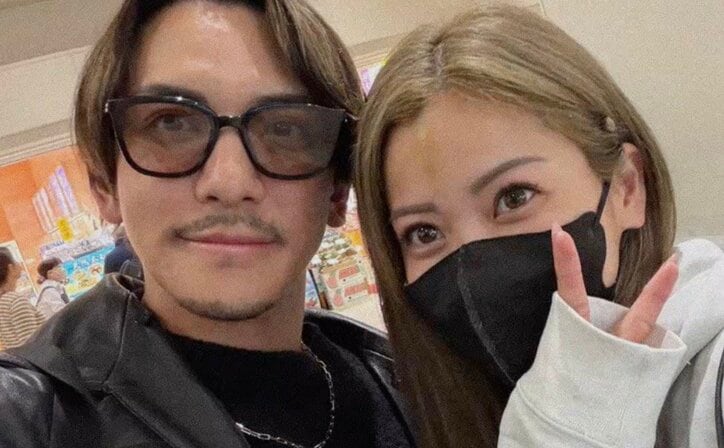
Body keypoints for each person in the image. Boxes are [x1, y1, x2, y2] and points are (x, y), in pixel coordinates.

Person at [0, 1, 416, 447]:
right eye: (171, 124)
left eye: (286, 129)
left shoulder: (412, 391)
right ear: (105, 184)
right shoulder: (26, 422)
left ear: (337, 192)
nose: (230, 182)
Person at [354, 6, 724, 448]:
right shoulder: (440, 409)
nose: (474, 270)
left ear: (627, 188)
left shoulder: (712, 376)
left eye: (514, 197)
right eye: (425, 233)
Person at [0, 248, 45, 349]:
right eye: (15, 260)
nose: (19, 263)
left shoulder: (3, 302)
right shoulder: (15, 301)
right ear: (10, 268)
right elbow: (32, 347)